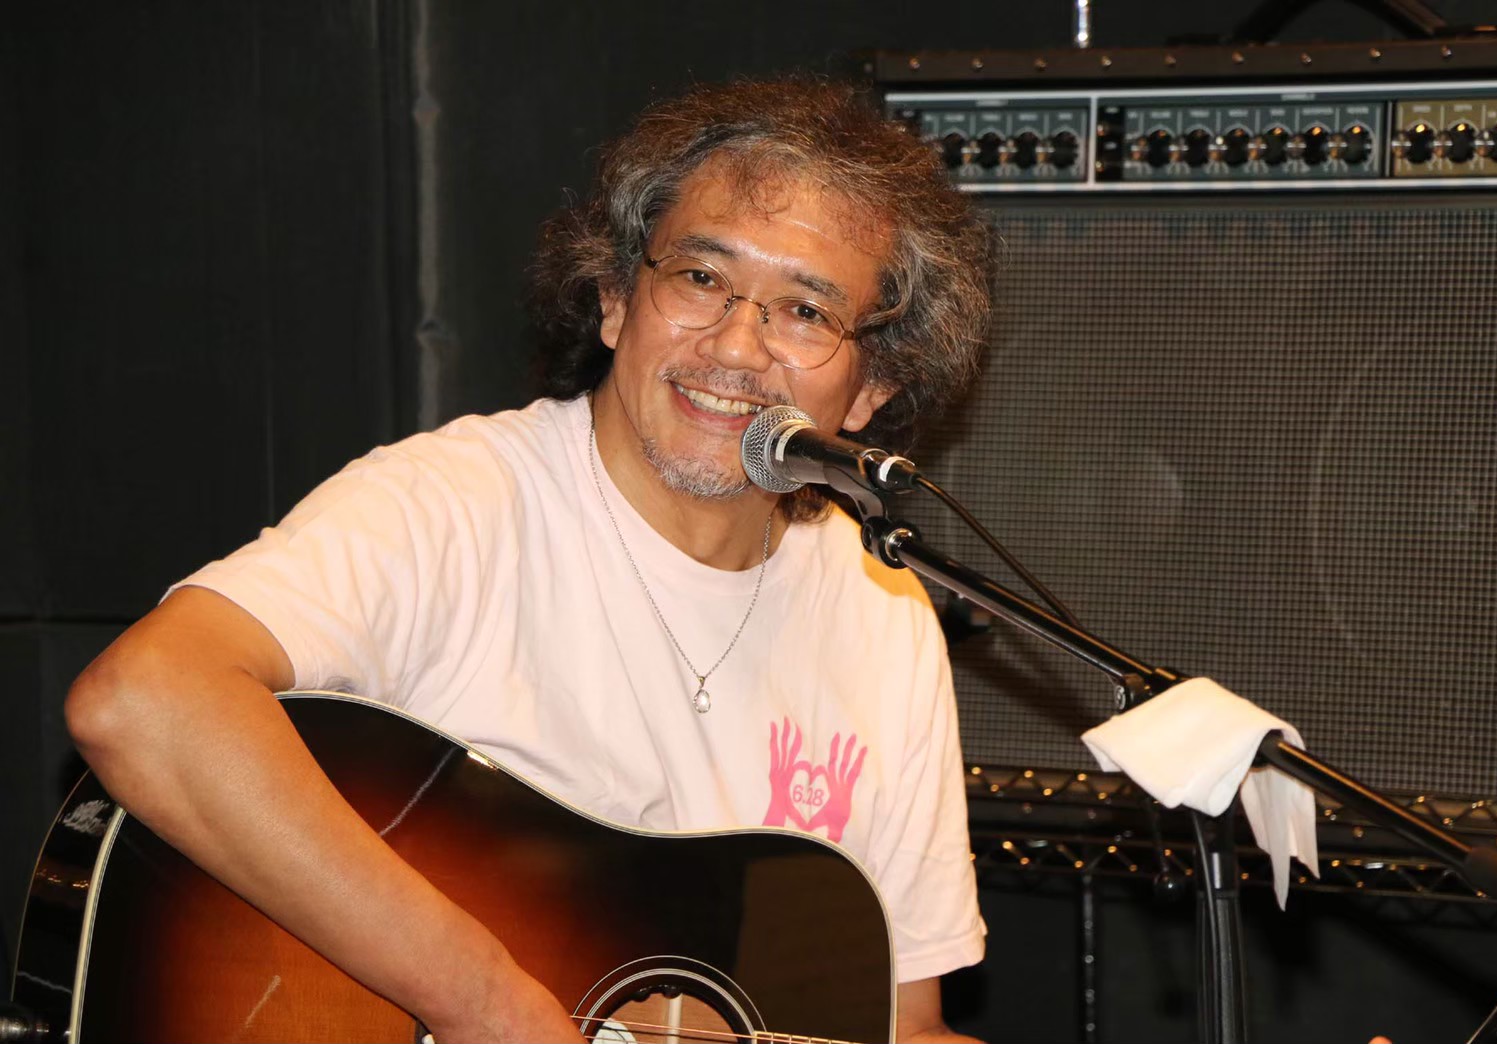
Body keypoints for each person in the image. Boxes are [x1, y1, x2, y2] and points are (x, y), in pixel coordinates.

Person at [65, 77, 996, 1043]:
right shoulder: (456, 505)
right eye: (699, 278)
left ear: (871, 390)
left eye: (804, 311)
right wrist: (482, 1000)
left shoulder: (880, 608)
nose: (734, 346)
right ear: (615, 300)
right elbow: (144, 699)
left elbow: (900, 1024)